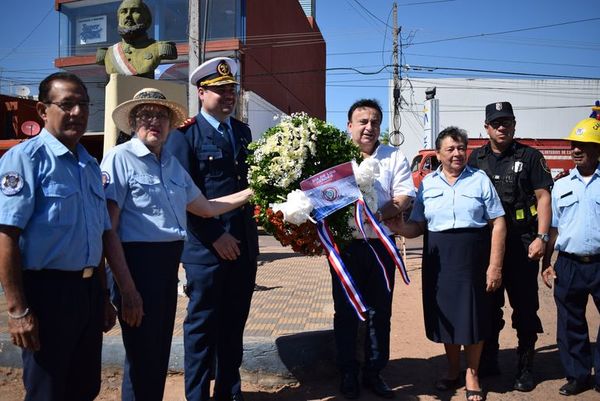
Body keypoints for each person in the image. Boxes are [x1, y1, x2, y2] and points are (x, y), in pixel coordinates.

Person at [100, 87, 253, 401]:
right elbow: (109, 230)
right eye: (145, 115)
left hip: (167, 267)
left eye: (161, 116)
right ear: (132, 122)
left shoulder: (170, 164)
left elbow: (207, 208)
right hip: (135, 267)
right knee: (142, 358)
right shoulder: (120, 158)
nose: (154, 121)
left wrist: (256, 190)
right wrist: (126, 290)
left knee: (156, 355)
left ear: (170, 125)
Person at [0, 72, 114, 401]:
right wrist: (17, 310)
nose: (77, 112)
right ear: (42, 110)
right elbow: (6, 235)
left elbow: (99, 236)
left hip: (89, 293)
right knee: (46, 390)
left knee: (85, 386)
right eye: (66, 104)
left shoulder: (89, 165)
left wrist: (103, 297)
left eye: (83, 105)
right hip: (47, 294)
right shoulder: (25, 160)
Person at [165, 57, 259, 401]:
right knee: (202, 329)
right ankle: (197, 396)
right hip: (207, 251)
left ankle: (229, 393)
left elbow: (250, 187)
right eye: (220, 90)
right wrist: (215, 236)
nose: (228, 96)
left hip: (243, 247)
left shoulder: (243, 132)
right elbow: (181, 198)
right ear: (201, 93)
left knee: (234, 326)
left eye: (231, 89)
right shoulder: (185, 136)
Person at [388, 127, 506, 401]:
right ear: (439, 154)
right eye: (450, 149)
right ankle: (453, 369)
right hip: (439, 260)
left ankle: (472, 373)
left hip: (473, 257)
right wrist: (399, 227)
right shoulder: (427, 184)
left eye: (461, 148)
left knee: (474, 316)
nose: (457, 153)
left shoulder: (480, 180)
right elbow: (418, 226)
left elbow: (498, 221)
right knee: (447, 316)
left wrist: (495, 265)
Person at [330, 99, 415, 399]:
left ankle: (374, 372)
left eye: (375, 122)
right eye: (362, 121)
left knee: (380, 312)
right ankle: (348, 373)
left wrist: (379, 214)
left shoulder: (393, 156)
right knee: (346, 312)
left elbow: (404, 195)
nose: (369, 127)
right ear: (349, 125)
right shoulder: (335, 156)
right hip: (345, 248)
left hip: (380, 246)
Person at [468, 101, 553, 392]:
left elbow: (543, 198)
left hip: (521, 243)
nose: (502, 127)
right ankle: (489, 360)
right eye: (496, 122)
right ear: (486, 127)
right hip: (488, 247)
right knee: (489, 307)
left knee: (525, 309)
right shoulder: (475, 159)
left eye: (507, 122)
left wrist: (542, 238)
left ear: (515, 124)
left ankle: (525, 366)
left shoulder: (530, 156)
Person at [541, 114, 600, 397]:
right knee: (570, 323)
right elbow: (552, 229)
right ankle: (578, 376)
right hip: (569, 264)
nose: (575, 149)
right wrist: (546, 263)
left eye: (583, 144)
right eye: (573, 144)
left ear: (597, 148)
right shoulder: (561, 185)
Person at [96, 0, 177, 78]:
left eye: (135, 11)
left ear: (147, 20)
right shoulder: (107, 54)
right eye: (123, 12)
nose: (128, 16)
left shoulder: (160, 49)